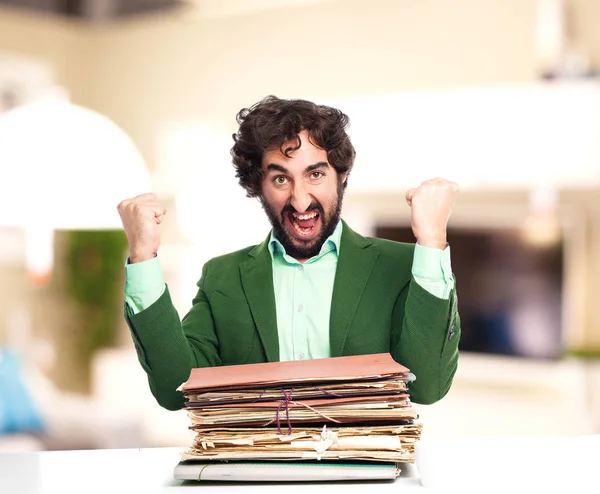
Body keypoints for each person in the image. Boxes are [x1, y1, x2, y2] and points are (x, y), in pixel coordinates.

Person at [117, 95, 460, 411]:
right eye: (281, 179)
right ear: (258, 185)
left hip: (367, 474)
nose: (300, 200)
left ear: (341, 176)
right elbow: (176, 389)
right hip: (257, 474)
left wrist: (431, 240)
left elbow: (427, 387)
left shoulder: (400, 267)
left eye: (315, 174)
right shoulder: (223, 278)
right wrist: (144, 258)